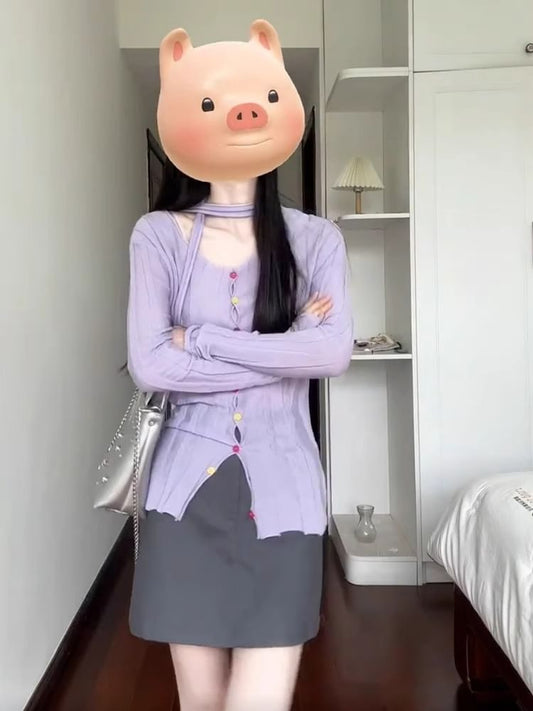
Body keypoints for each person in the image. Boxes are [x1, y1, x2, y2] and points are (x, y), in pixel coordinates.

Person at [126, 18, 353, 711]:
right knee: (201, 704)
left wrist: (198, 340)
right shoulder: (158, 236)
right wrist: (287, 346)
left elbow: (331, 353)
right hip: (182, 500)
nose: (242, 113)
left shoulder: (316, 239)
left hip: (285, 497)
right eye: (209, 102)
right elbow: (150, 366)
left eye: (260, 97)